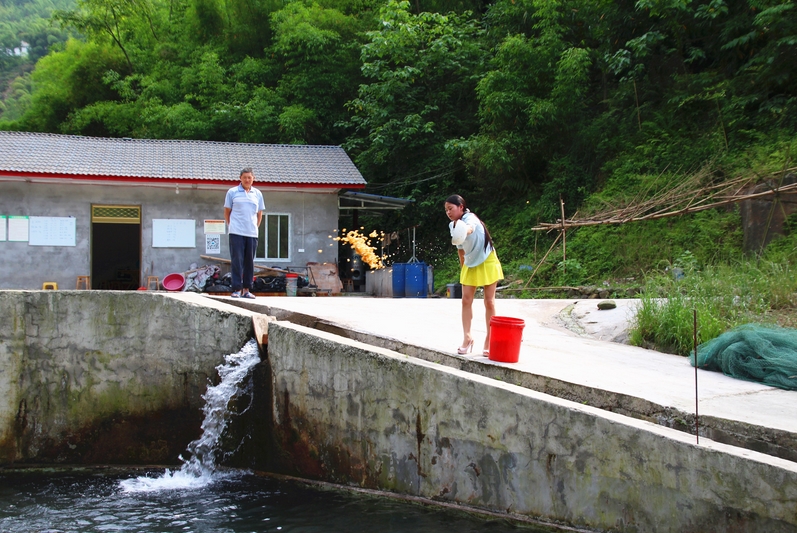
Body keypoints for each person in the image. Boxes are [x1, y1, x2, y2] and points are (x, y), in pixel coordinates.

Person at [444, 194, 503, 356]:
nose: (448, 212)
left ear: (461, 207)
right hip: (470, 263)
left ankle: (489, 339)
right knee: (465, 300)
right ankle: (467, 338)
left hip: (487, 260)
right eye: (446, 210)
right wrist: (463, 269)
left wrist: (465, 230)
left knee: (489, 302)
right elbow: (461, 250)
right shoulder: (452, 226)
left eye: (451, 208)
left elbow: (470, 228)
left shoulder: (471, 219)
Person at [224, 167, 265, 299]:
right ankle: (236, 289)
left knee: (249, 261)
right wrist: (233, 226)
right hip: (236, 232)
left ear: (253, 179)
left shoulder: (257, 194)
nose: (247, 180)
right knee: (237, 260)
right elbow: (227, 212)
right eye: (245, 177)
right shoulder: (232, 192)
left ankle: (246, 290)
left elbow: (259, 214)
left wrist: (254, 227)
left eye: (249, 177)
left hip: (252, 233)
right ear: (240, 178)